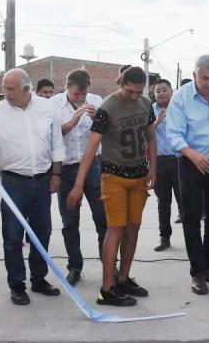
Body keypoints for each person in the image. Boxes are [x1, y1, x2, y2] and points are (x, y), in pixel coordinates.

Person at [0, 69, 65, 306]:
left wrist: (56, 174)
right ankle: (17, 284)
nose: (6, 93)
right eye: (4, 88)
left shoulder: (46, 108)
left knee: (41, 233)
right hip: (13, 183)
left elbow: (57, 142)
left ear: (26, 89)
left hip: (43, 180)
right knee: (12, 237)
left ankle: (39, 279)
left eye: (10, 89)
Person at [67, 66, 157, 307]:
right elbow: (91, 147)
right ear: (121, 83)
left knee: (133, 228)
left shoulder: (146, 103)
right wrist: (78, 184)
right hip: (113, 176)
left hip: (139, 176)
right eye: (130, 91)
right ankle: (107, 289)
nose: (134, 96)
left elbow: (151, 137)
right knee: (115, 228)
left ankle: (123, 278)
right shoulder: (108, 107)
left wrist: (153, 169)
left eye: (139, 92)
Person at [166, 55, 209, 295]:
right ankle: (197, 271)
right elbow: (173, 134)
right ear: (195, 75)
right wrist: (193, 155)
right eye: (205, 78)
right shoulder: (181, 97)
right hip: (190, 164)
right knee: (192, 217)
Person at [49, 69, 107, 283]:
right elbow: (51, 137)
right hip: (66, 169)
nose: (81, 98)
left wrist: (97, 118)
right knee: (69, 221)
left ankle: (108, 264)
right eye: (76, 94)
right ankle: (75, 266)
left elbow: (106, 132)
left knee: (103, 218)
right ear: (67, 86)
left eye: (84, 94)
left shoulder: (96, 101)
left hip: (93, 166)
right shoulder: (53, 104)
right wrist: (72, 122)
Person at [153, 78, 182, 251]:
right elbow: (143, 134)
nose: (161, 93)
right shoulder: (150, 111)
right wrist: (156, 123)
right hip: (160, 163)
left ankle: (190, 236)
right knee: (163, 202)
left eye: (164, 89)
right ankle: (165, 238)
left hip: (179, 161)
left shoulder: (179, 109)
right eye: (158, 91)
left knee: (184, 201)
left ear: (171, 91)